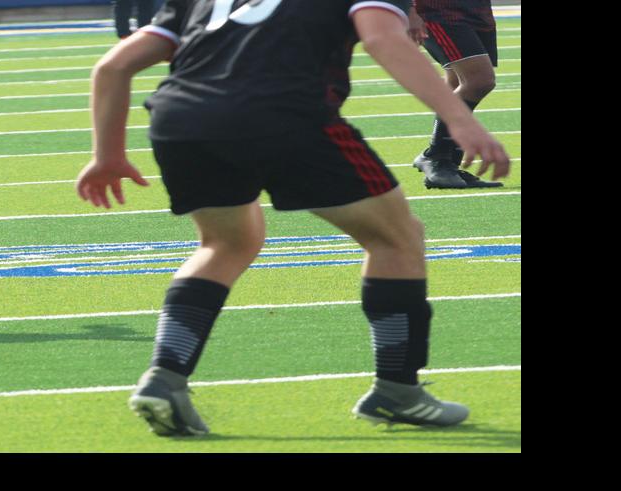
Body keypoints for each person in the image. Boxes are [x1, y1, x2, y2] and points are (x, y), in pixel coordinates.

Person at [75, 0, 509, 436]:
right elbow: (380, 38)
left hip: (182, 117)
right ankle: (397, 387)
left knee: (225, 244)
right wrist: (458, 118)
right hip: (288, 113)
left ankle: (165, 377)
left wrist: (106, 156)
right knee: (397, 238)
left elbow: (113, 67)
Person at [408, 0, 502, 189]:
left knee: (457, 82)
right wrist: (410, 11)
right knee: (479, 80)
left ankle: (448, 164)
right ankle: (436, 155)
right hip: (439, 12)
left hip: (477, 11)